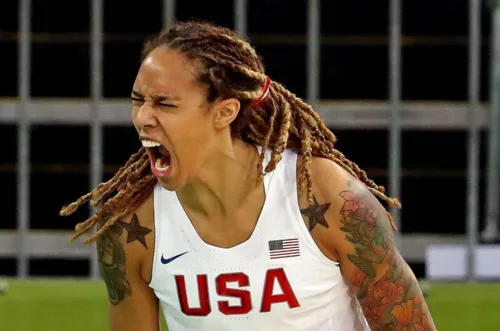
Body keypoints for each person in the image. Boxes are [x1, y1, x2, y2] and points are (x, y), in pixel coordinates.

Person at [61, 21, 436, 331]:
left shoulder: (324, 194)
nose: (143, 117)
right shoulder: (131, 226)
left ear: (224, 113)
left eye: (165, 104)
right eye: (138, 100)